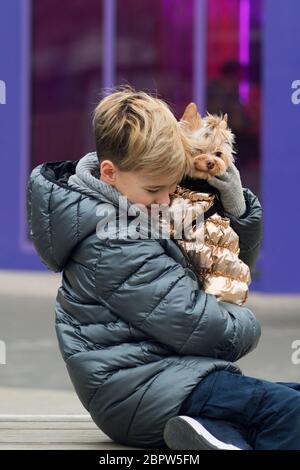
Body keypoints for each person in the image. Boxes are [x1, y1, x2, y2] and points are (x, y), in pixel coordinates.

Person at [26, 86, 300, 450]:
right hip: (140, 390)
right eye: (156, 189)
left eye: (171, 188)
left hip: (166, 380)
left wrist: (234, 208)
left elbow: (221, 274)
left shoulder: (138, 206)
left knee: (285, 401)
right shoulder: (114, 239)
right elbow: (200, 325)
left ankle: (212, 439)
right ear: (109, 173)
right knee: (289, 410)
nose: (166, 199)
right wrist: (247, 323)